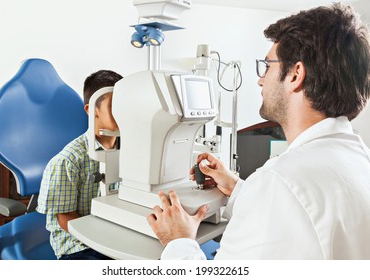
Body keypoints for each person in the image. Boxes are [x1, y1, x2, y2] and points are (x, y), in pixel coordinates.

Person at [147, 3, 370, 259]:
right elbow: (304, 216)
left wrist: (178, 241)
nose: (260, 79)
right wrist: (240, 188)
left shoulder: (280, 182)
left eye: (267, 67)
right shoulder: (360, 158)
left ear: (296, 74)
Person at [37, 70, 123, 260]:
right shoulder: (68, 161)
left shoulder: (131, 150)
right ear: (92, 110)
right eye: (114, 105)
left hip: (117, 233)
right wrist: (103, 243)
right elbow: (66, 219)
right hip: (77, 242)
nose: (123, 113)